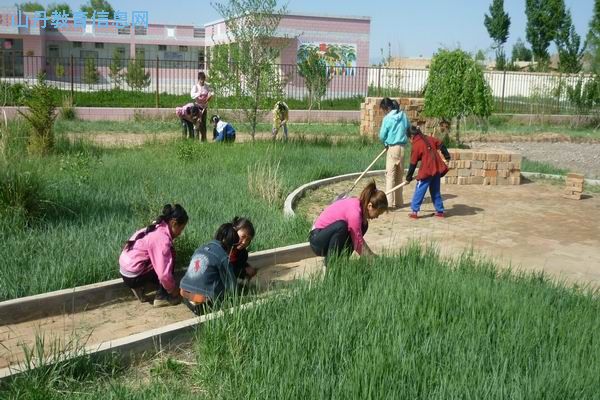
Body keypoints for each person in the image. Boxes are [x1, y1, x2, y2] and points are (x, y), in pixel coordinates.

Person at [119, 204, 188, 307]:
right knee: (170, 256)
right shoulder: (162, 239)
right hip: (133, 275)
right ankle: (161, 297)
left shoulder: (157, 225)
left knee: (158, 259)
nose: (180, 233)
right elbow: (163, 275)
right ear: (173, 223)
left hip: (124, 269)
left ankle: (138, 288)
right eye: (181, 229)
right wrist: (173, 290)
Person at [309, 181, 388, 266]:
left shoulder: (360, 212)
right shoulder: (355, 212)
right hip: (317, 240)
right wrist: (371, 257)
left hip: (327, 237)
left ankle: (341, 262)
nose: (377, 217)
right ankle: (331, 266)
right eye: (378, 213)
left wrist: (371, 256)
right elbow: (358, 242)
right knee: (341, 226)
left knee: (364, 225)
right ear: (370, 206)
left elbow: (357, 239)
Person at [179, 223, 240, 315]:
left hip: (185, 294)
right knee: (222, 282)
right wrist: (237, 300)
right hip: (204, 300)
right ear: (231, 246)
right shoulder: (222, 256)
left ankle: (195, 308)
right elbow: (231, 284)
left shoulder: (200, 248)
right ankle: (202, 309)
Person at [405, 125, 451, 219]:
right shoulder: (429, 138)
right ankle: (440, 211)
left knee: (420, 190)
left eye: (409, 138)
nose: (410, 141)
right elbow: (441, 144)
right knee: (435, 191)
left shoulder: (416, 145)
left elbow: (413, 163)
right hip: (437, 169)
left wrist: (408, 177)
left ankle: (414, 211)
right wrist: (447, 156)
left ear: (412, 136)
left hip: (427, 171)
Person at [379, 97, 410, 209]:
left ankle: (388, 203)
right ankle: (399, 203)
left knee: (390, 176)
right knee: (399, 176)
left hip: (392, 149)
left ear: (387, 108)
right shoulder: (404, 116)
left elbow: (382, 135)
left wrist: (386, 142)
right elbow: (408, 128)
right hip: (402, 148)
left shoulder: (387, 118)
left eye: (383, 109)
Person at [229, 217, 257, 283]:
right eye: (243, 237)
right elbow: (224, 269)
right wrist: (243, 271)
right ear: (234, 232)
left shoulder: (242, 254)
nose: (244, 242)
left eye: (248, 239)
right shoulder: (223, 249)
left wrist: (246, 266)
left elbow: (239, 264)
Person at [190, 71, 214, 142]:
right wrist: (199, 93)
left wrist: (210, 95)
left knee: (203, 123)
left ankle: (204, 139)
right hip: (197, 108)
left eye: (203, 79)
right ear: (198, 79)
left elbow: (212, 91)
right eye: (201, 79)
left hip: (204, 107)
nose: (202, 81)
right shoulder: (196, 87)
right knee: (198, 123)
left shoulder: (207, 86)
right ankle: (196, 140)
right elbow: (192, 95)